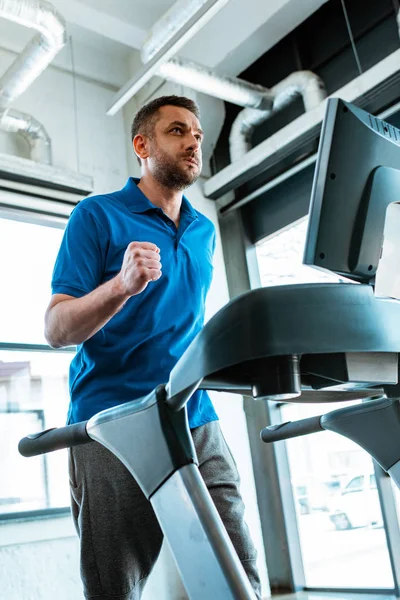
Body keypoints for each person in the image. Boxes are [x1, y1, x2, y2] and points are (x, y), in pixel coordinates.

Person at [45, 95, 262, 600]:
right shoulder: (97, 217)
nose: (192, 143)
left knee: (238, 570)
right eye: (177, 131)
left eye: (197, 134)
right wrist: (120, 285)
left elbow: (180, 329)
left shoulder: (203, 231)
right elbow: (57, 328)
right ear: (142, 145)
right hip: (112, 421)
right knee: (114, 587)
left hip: (194, 415)